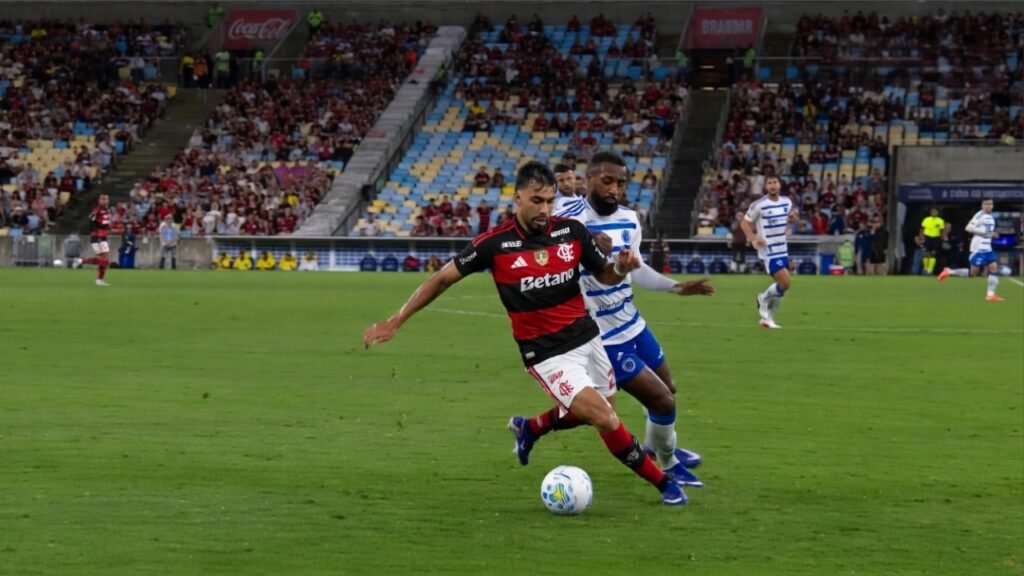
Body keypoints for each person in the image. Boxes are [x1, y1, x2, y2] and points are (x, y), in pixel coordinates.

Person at [363, 161, 688, 506]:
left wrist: (621, 267)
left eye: (549, 201)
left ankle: (529, 428)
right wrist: (396, 320)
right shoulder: (493, 244)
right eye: (537, 200)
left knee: (594, 411)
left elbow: (604, 274)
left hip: (588, 338)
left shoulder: (572, 232)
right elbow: (442, 278)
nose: (545, 209)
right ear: (518, 198)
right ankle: (665, 484)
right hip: (546, 353)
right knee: (605, 418)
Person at [509, 153, 712, 496]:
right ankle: (667, 462)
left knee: (667, 390)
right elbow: (538, 235)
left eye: (621, 183)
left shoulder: (630, 219)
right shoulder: (567, 215)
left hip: (632, 322)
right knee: (661, 402)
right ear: (588, 179)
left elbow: (637, 269)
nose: (614, 189)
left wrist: (677, 287)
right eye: (607, 181)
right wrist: (586, 238)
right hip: (601, 336)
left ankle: (533, 427)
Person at [741, 175, 795, 329]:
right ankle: (763, 298)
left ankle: (768, 320)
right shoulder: (759, 205)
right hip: (769, 250)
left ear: (780, 185)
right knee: (785, 283)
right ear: (765, 187)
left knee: (781, 288)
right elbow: (744, 223)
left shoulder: (787, 202)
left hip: (782, 248)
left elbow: (783, 221)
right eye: (769, 183)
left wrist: (790, 221)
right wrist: (753, 239)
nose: (772, 185)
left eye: (775, 182)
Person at [938, 199, 1004, 301]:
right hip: (978, 248)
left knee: (993, 268)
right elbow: (968, 228)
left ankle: (990, 295)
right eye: (986, 204)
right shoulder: (979, 215)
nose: (988, 206)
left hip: (988, 248)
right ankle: (949, 271)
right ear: (982, 205)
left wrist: (993, 234)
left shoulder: (990, 216)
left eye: (990, 204)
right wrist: (984, 233)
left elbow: (988, 232)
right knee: (973, 273)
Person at [73, 194, 112, 286]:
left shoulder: (107, 210)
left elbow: (105, 222)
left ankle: (99, 280)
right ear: (99, 201)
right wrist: (96, 231)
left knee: (104, 260)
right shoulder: (97, 210)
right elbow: (91, 220)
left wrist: (108, 228)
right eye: (102, 199)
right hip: (98, 237)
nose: (104, 201)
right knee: (105, 261)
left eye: (106, 199)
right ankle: (81, 261)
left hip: (103, 236)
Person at [920, 207, 945, 275]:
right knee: (926, 253)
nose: (933, 212)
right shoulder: (926, 219)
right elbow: (922, 229)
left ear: (937, 212)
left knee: (933, 253)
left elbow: (942, 231)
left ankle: (930, 269)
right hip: (927, 237)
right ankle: (925, 268)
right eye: (932, 211)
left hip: (936, 237)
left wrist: (942, 239)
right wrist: (921, 237)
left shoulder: (940, 220)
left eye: (935, 211)